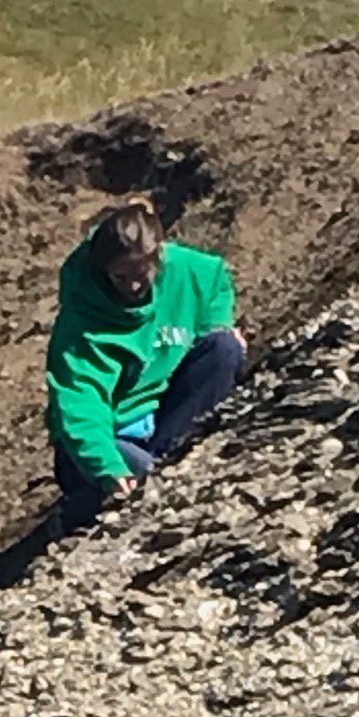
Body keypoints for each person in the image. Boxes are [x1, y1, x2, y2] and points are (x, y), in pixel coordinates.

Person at [45, 201, 245, 524]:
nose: (133, 286)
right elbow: (79, 402)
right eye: (120, 277)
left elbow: (216, 282)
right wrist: (107, 464)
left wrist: (219, 324)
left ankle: (161, 470)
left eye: (142, 274)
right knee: (146, 479)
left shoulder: (189, 273)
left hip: (164, 417)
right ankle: (91, 506)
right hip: (109, 439)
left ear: (159, 256)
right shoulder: (80, 323)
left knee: (225, 348)